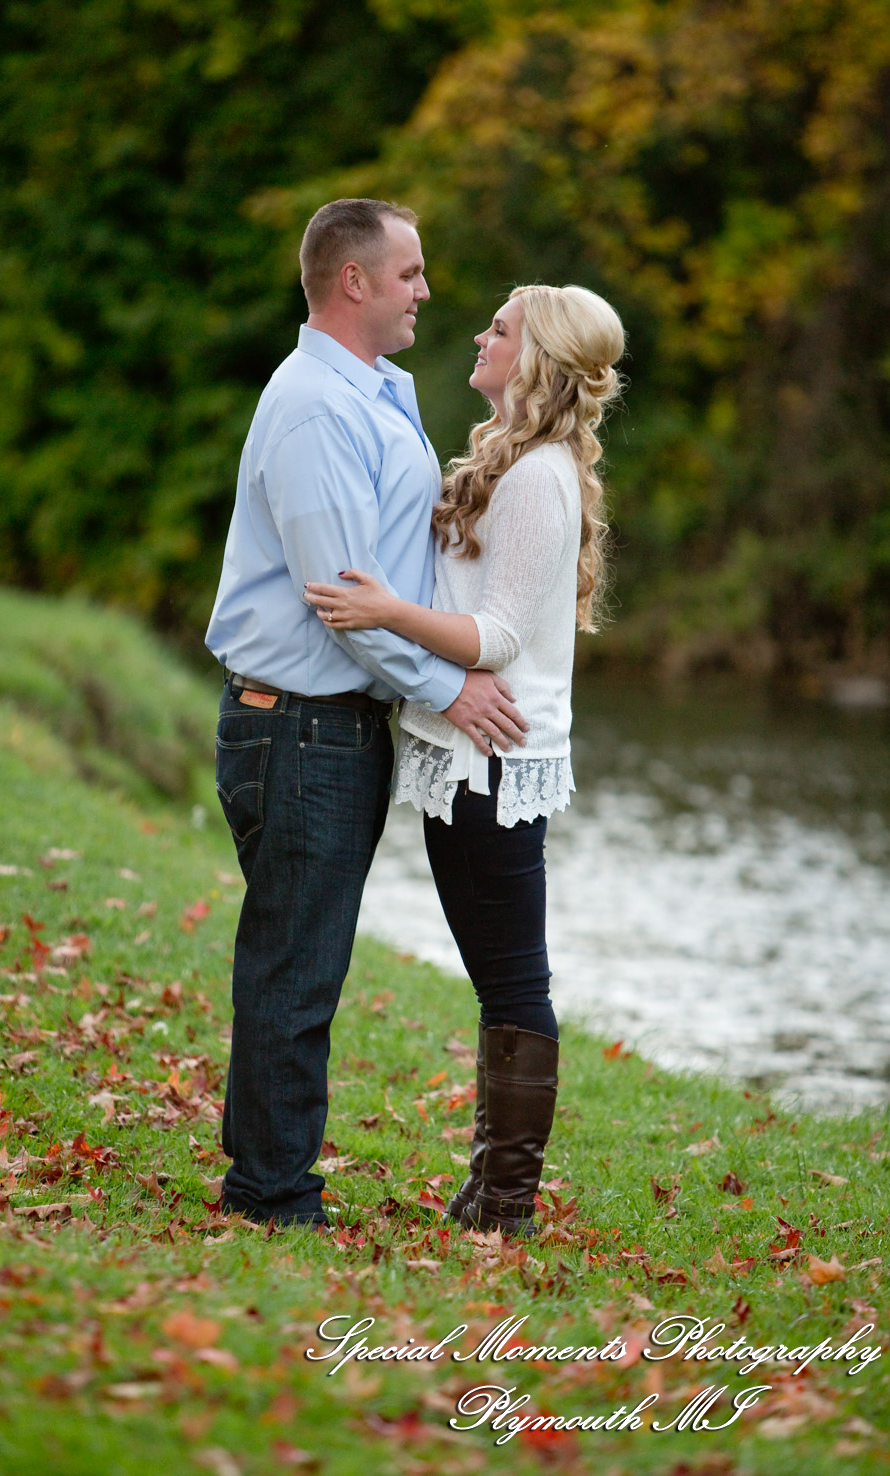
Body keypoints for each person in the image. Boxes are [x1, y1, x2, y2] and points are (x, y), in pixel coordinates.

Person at [205, 198, 529, 1228]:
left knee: (307, 959)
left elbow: (400, 567)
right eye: (409, 274)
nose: (426, 292)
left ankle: (270, 1176)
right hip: (295, 723)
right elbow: (341, 598)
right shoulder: (312, 408)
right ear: (352, 281)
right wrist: (452, 688)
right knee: (293, 970)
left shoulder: (381, 392)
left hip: (336, 729)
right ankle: (268, 1194)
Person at [304, 282, 626, 1236]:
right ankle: (492, 1194)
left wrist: (385, 612)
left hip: (492, 757)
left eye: (500, 329)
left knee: (513, 982)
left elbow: (492, 638)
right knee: (506, 977)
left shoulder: (537, 476)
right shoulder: (513, 458)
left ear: (534, 359)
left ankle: (503, 1203)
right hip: (472, 753)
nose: (479, 336)